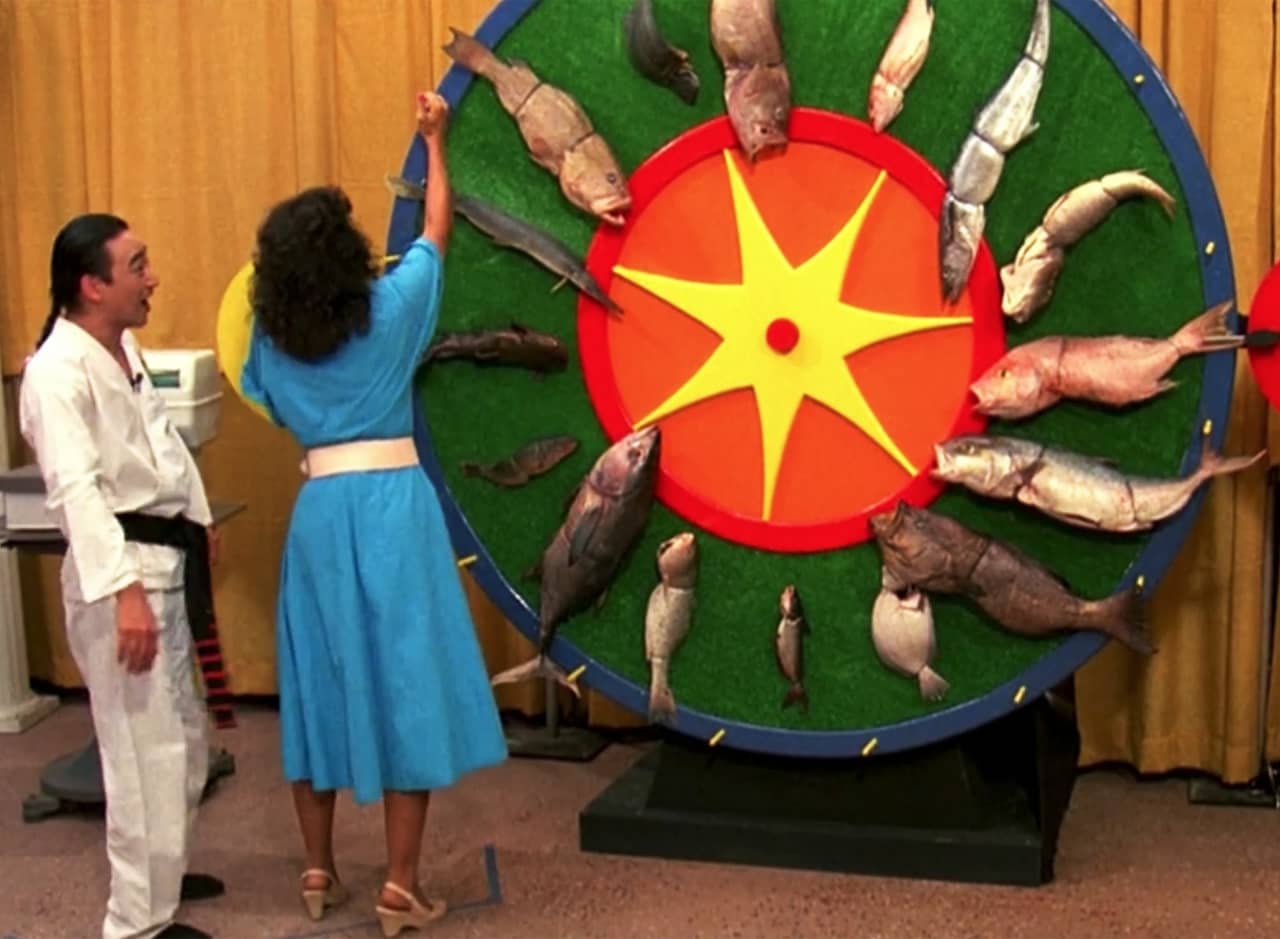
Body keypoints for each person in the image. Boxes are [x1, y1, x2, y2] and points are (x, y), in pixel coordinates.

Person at [240, 91, 507, 934]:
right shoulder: (392, 313)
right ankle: (399, 882)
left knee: (317, 682)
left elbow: (274, 405)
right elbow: (435, 230)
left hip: (320, 513)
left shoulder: (268, 341)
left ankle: (319, 870)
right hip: (394, 506)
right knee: (407, 683)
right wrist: (435, 140)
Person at [19, 213, 230, 939]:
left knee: (183, 741)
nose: (153, 277)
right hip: (123, 579)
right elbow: (77, 491)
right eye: (136, 265)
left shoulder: (122, 347)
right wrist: (126, 593)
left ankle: (161, 884)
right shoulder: (55, 372)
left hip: (165, 562)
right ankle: (135, 923)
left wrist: (199, 525)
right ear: (91, 283)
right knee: (141, 756)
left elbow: (164, 445)